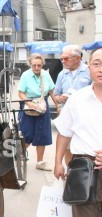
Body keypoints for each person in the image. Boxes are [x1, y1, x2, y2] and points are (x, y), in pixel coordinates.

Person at [54, 47, 102, 217]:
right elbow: (64, 132)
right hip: (83, 170)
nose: (101, 69)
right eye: (97, 64)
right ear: (89, 67)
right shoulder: (77, 99)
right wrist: (58, 162)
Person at [18, 53, 59, 171]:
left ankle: (40, 162)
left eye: (39, 66)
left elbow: (51, 91)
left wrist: (58, 105)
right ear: (30, 64)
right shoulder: (25, 75)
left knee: (43, 134)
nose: (36, 68)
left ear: (42, 65)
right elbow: (20, 92)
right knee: (27, 134)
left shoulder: (45, 75)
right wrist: (30, 104)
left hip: (42, 106)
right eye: (34, 65)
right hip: (28, 105)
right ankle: (19, 156)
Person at [54, 45, 91, 165]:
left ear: (77, 58)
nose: (63, 61)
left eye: (66, 58)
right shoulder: (61, 74)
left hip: (86, 118)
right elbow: (56, 95)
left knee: (85, 149)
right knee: (68, 148)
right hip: (68, 118)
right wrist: (60, 99)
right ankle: (70, 172)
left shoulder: (89, 71)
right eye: (62, 59)